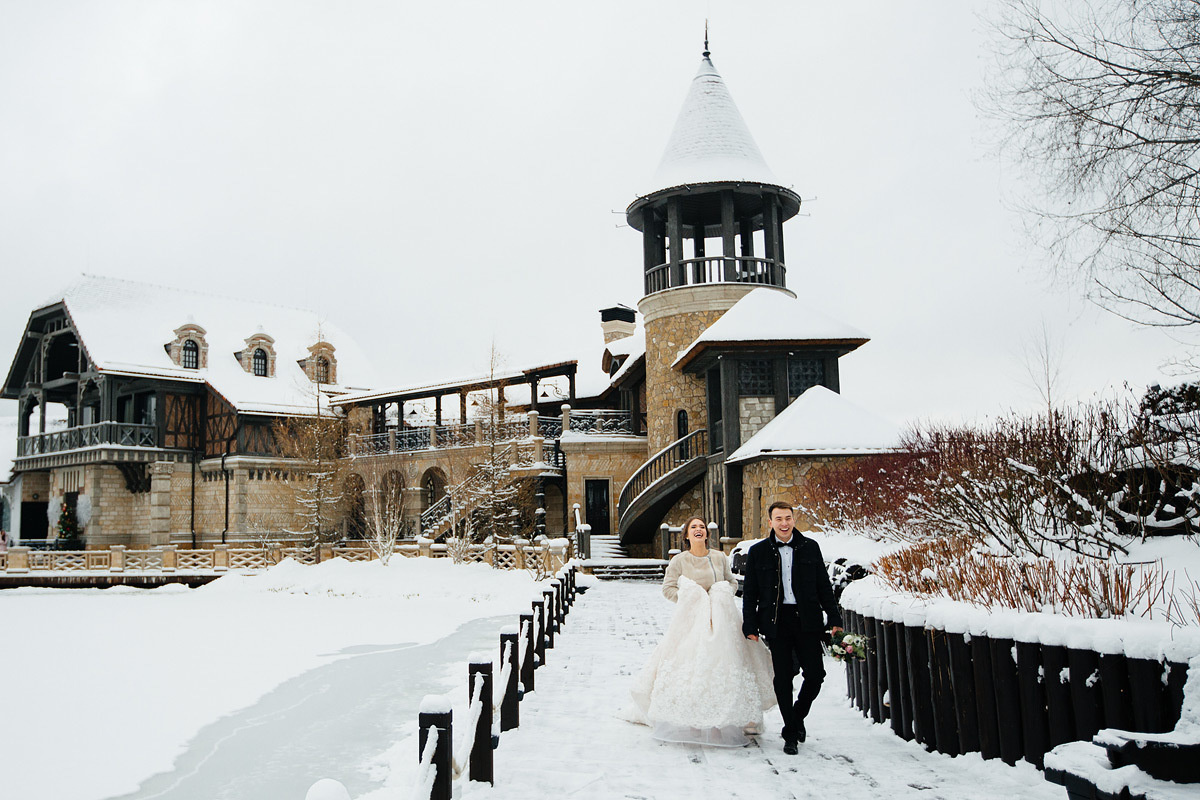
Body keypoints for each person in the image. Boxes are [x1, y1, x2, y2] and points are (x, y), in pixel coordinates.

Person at [628, 516, 775, 747]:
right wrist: (690, 599)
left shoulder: (718, 557)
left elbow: (731, 582)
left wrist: (721, 593)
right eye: (693, 527)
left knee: (724, 664)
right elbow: (668, 588)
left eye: (702, 527)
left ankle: (727, 715)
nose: (699, 530)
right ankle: (691, 717)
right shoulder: (679, 561)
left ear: (707, 534)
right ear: (686, 535)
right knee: (692, 664)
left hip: (722, 621)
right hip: (693, 621)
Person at [742, 501, 842, 755]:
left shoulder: (810, 547)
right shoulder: (758, 552)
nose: (784, 523)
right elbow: (750, 593)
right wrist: (750, 624)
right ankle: (790, 733)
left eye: (788, 518)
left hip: (807, 619)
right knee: (783, 678)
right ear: (770, 522)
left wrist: (834, 618)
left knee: (816, 674)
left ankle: (797, 718)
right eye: (779, 519)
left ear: (793, 519)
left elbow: (824, 587)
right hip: (776, 621)